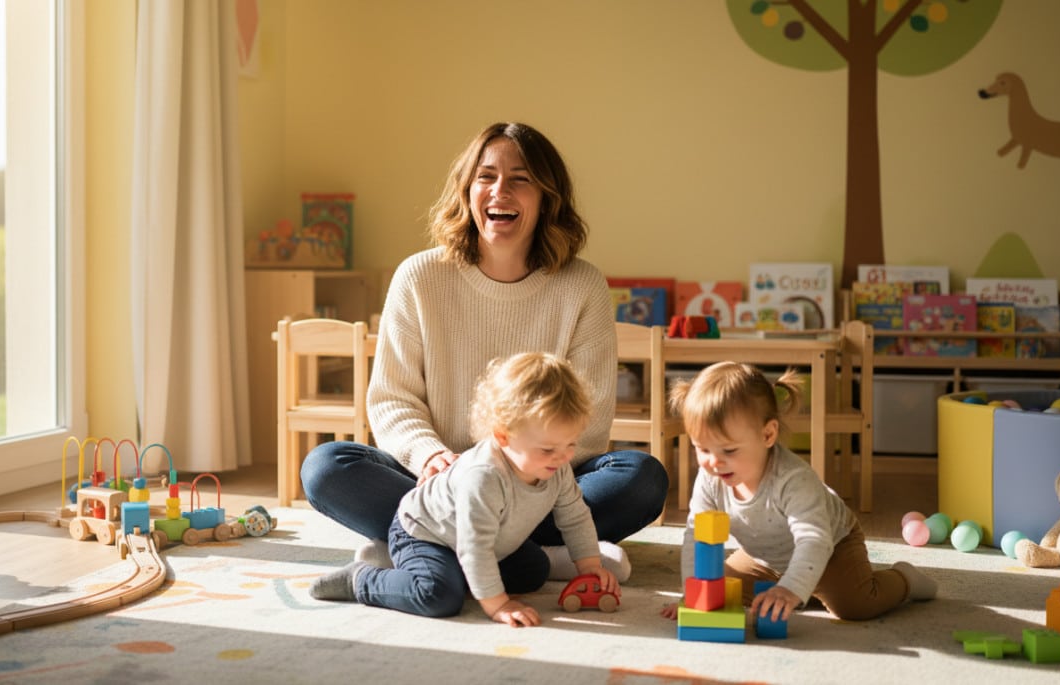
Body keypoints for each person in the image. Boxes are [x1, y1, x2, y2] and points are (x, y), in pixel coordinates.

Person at [300, 122, 668, 580]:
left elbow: (587, 419)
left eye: (521, 179)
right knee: (326, 467)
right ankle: (536, 560)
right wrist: (431, 455)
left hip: (538, 483)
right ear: (466, 190)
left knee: (642, 477)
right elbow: (393, 398)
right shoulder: (418, 277)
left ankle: (420, 546)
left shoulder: (583, 286)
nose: (500, 191)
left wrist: (513, 475)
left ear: (547, 197)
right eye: (486, 176)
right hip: (438, 483)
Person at [309, 352, 620, 626]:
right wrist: (498, 604)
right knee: (438, 596)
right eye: (548, 449)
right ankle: (362, 577)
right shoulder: (484, 475)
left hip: (484, 542)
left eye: (570, 444)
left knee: (533, 570)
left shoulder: (558, 466)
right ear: (503, 437)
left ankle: (422, 568)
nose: (563, 457)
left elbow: (575, 517)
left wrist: (590, 567)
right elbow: (475, 546)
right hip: (426, 533)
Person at [660, 362, 936, 623]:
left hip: (831, 547)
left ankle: (903, 578)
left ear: (768, 435)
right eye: (703, 449)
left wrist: (791, 588)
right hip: (764, 556)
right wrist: (692, 595)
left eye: (729, 450)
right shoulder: (710, 478)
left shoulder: (793, 479)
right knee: (719, 589)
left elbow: (814, 540)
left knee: (855, 605)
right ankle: (801, 585)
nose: (714, 462)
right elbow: (696, 536)